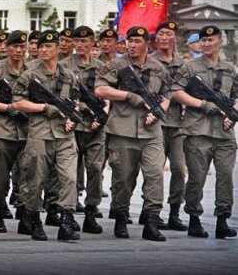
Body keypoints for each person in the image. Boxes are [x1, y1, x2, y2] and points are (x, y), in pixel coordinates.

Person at [95, 26, 170, 242]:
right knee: (123, 179)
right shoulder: (117, 65)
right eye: (130, 41)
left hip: (151, 132)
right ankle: (120, 216)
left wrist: (158, 112)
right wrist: (128, 96)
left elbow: (167, 94)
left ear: (148, 43)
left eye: (137, 41)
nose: (132, 45)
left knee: (155, 174)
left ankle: (152, 221)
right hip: (122, 131)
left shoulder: (158, 68)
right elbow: (100, 89)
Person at [12, 30, 80, 242]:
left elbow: (75, 101)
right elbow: (17, 102)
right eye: (41, 47)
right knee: (36, 179)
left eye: (48, 47)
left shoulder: (68, 76)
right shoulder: (29, 75)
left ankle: (67, 220)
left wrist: (72, 117)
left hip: (65, 134)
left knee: (69, 177)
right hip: (40, 133)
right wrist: (43, 107)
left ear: (58, 49)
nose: (43, 50)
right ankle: (33, 218)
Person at [172, 25, 237, 239]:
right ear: (199, 44)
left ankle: (222, 220)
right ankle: (194, 218)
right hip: (198, 131)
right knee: (197, 178)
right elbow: (176, 92)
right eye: (203, 40)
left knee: (226, 177)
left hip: (224, 133)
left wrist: (233, 115)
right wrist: (202, 104)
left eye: (211, 40)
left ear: (220, 41)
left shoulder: (230, 69)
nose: (207, 44)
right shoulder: (190, 68)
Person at [59, 26, 106, 234]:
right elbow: (64, 97)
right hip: (73, 125)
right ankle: (67, 214)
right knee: (70, 173)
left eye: (84, 42)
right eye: (76, 41)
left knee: (95, 169)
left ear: (92, 43)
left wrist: (100, 117)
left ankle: (90, 211)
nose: (79, 45)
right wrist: (82, 111)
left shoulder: (102, 67)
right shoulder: (64, 66)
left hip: (96, 127)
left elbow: (107, 96)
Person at [0, 30, 28, 234]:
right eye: (15, 46)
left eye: (22, 46)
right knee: (0, 178)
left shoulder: (31, 71)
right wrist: (10, 108)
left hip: (28, 131)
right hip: (2, 131)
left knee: (29, 176)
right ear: (7, 48)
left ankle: (26, 214)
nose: (19, 50)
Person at [150, 21, 187, 231]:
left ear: (175, 38)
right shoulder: (149, 63)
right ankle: (151, 212)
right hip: (155, 123)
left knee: (179, 170)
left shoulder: (184, 65)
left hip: (179, 124)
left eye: (168, 34)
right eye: (161, 34)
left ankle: (174, 212)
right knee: (154, 171)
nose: (164, 38)